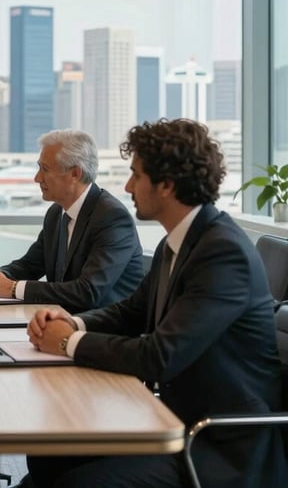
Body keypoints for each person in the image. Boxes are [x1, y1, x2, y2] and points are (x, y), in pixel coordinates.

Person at [24, 119, 286, 488]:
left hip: (218, 447)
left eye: (136, 175)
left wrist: (67, 343)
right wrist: (73, 323)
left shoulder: (222, 253)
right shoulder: (177, 242)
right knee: (48, 452)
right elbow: (132, 310)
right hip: (170, 419)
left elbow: (159, 357)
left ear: (166, 185)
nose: (128, 186)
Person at [0, 129, 143, 312]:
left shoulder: (112, 217)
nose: (37, 178)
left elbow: (88, 292)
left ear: (75, 173)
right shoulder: (56, 213)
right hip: (62, 322)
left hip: (104, 332)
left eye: (45, 169)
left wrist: (11, 288)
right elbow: (29, 265)